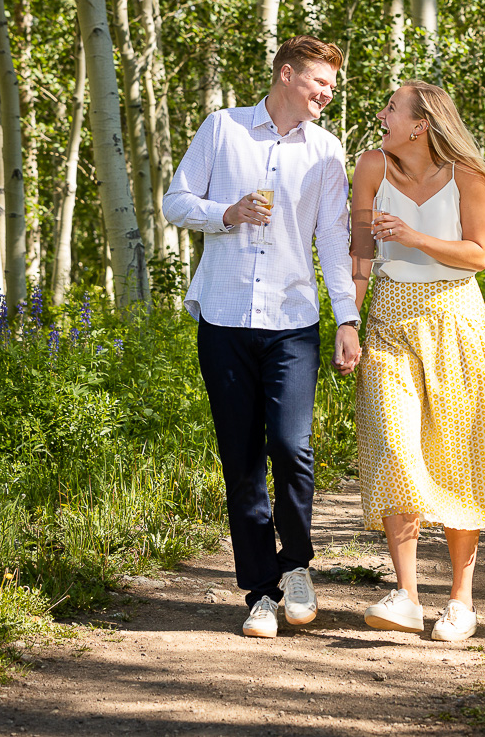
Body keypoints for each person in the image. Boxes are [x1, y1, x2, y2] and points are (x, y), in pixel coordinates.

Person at [162, 36, 362, 639]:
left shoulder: (327, 151)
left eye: (331, 86)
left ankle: (296, 565)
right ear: (286, 74)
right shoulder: (222, 129)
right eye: (318, 83)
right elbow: (175, 202)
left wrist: (346, 319)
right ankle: (261, 593)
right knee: (242, 460)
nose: (326, 94)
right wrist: (226, 213)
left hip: (292, 321)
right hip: (224, 318)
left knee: (292, 448)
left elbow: (332, 239)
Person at [349, 81, 485, 643]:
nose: (381, 114)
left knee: (456, 456)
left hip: (457, 320)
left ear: (422, 124)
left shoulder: (471, 177)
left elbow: (479, 254)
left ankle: (460, 601)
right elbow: (360, 251)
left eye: (391, 108)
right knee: (394, 446)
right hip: (388, 321)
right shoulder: (371, 166)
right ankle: (405, 595)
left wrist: (415, 237)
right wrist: (348, 322)